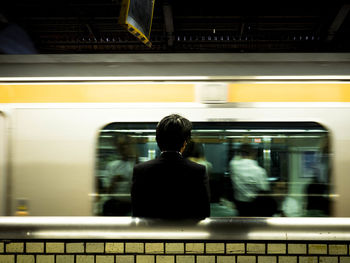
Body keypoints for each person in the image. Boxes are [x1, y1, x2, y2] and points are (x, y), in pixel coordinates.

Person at [131, 114, 210, 219]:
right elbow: (203, 212)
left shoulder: (140, 170)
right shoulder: (198, 170)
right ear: (185, 143)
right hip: (186, 233)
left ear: (158, 141)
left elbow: (137, 210)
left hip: (152, 233)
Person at [230, 144, 272, 216]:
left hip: (240, 205)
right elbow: (265, 188)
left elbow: (234, 160)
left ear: (241, 154)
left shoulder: (234, 166)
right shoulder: (259, 171)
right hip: (255, 205)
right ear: (254, 153)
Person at [102, 134, 138, 216]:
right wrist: (114, 181)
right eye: (121, 145)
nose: (124, 148)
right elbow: (107, 191)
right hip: (116, 207)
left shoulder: (138, 165)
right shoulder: (112, 166)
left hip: (133, 206)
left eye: (127, 144)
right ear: (118, 148)